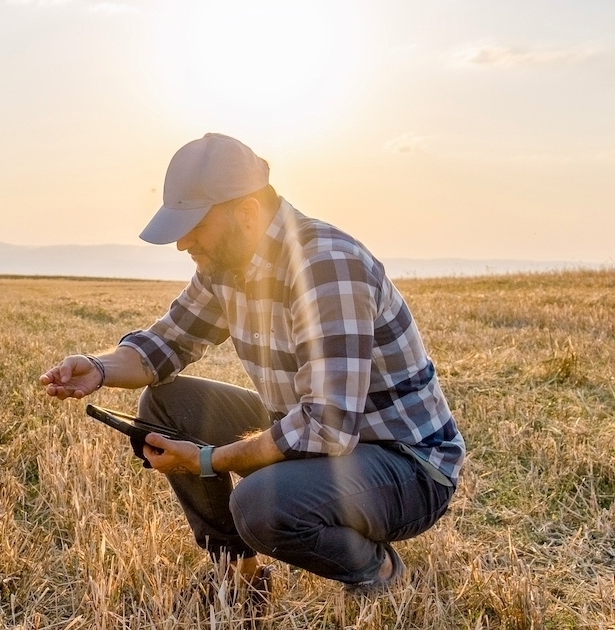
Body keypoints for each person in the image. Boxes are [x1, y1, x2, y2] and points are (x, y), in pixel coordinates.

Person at [40, 133, 463, 597]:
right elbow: (164, 346)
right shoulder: (229, 266)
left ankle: (375, 572)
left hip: (406, 464)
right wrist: (97, 368)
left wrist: (205, 461)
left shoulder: (326, 266)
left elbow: (327, 428)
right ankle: (239, 577)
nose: (183, 243)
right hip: (317, 438)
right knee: (168, 404)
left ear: (245, 213)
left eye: (195, 226)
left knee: (260, 505)